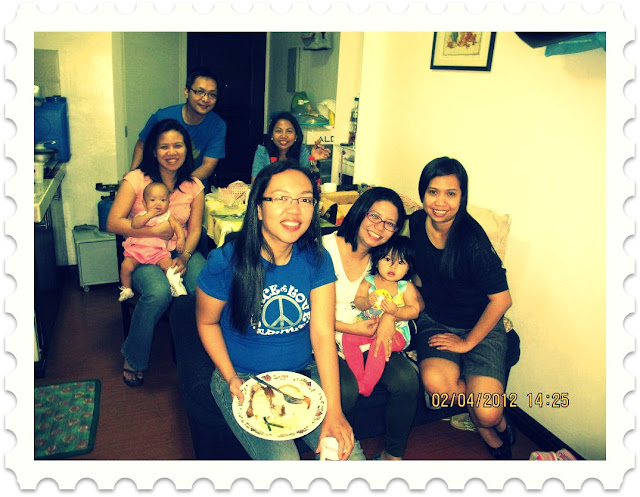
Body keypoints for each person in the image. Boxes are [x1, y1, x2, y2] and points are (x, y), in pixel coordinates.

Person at [195, 159, 355, 460]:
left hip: (302, 375)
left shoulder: (317, 259)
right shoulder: (225, 261)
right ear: (258, 208)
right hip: (243, 377)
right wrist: (230, 376)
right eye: (281, 198)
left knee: (346, 457)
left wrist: (335, 411)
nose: (295, 209)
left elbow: (322, 335)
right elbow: (207, 323)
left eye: (305, 200)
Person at [409, 156, 514, 459]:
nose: (440, 202)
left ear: (462, 197)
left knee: (489, 412)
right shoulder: (414, 223)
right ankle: (484, 426)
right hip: (436, 320)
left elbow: (502, 300)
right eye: (433, 191)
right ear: (423, 192)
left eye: (451, 193)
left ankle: (490, 420)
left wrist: (467, 342)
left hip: (480, 324)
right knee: (438, 388)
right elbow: (413, 269)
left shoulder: (472, 241)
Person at [322, 187, 420, 461]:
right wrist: (350, 329)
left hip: (373, 330)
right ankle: (344, 451)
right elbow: (308, 312)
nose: (380, 227)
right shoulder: (323, 249)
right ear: (360, 211)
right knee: (346, 388)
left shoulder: (383, 259)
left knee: (406, 380)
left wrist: (390, 316)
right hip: (328, 332)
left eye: (390, 223)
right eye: (374, 216)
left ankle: (392, 456)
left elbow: (411, 298)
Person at [107, 119, 206, 387]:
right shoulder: (136, 179)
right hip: (143, 254)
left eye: (178, 145)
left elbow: (195, 229)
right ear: (153, 150)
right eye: (164, 146)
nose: (171, 152)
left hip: (180, 250)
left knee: (206, 286)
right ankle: (134, 357)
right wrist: (153, 232)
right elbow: (113, 222)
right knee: (158, 292)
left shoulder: (194, 185)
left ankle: (201, 351)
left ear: (187, 149)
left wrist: (185, 256)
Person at [345, 236, 421, 397]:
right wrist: (366, 301)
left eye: (401, 262)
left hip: (396, 333)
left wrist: (396, 311)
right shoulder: (368, 281)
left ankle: (367, 385)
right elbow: (358, 301)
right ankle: (358, 378)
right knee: (348, 338)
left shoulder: (405, 287)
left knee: (379, 345)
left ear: (408, 268)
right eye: (387, 259)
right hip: (369, 327)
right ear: (377, 260)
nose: (393, 266)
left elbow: (414, 310)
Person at [130, 66, 226, 186]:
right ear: (186, 92)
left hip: (192, 184)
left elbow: (208, 165)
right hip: (156, 184)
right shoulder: (162, 116)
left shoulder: (218, 125)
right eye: (199, 92)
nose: (206, 99)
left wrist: (179, 185)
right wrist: (132, 176)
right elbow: (141, 145)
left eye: (212, 94)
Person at [118, 182, 187, 302]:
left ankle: (175, 285)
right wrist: (149, 215)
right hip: (137, 251)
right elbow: (135, 225)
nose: (158, 203)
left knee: (170, 267)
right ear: (144, 203)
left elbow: (177, 226)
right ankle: (127, 289)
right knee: (125, 267)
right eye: (153, 200)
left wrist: (181, 238)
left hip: (158, 252)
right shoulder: (142, 215)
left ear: (168, 202)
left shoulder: (168, 215)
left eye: (163, 200)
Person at [250, 111, 330, 181]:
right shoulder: (262, 151)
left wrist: (313, 161)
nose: (283, 136)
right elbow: (255, 182)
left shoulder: (302, 151)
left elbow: (310, 183)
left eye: (289, 131)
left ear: (296, 136)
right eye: (278, 131)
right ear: (271, 135)